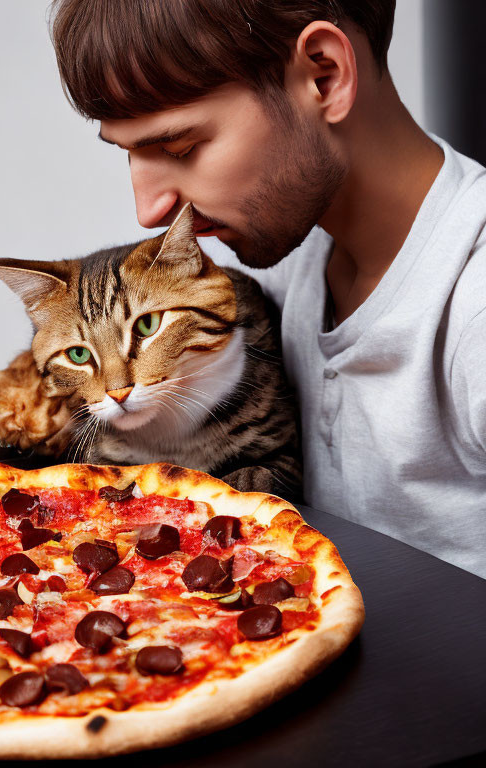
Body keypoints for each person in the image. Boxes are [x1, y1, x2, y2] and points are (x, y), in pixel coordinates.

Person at [49, 0, 486, 578]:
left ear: (323, 77)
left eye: (180, 149)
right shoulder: (286, 250)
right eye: (129, 153)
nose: (147, 210)